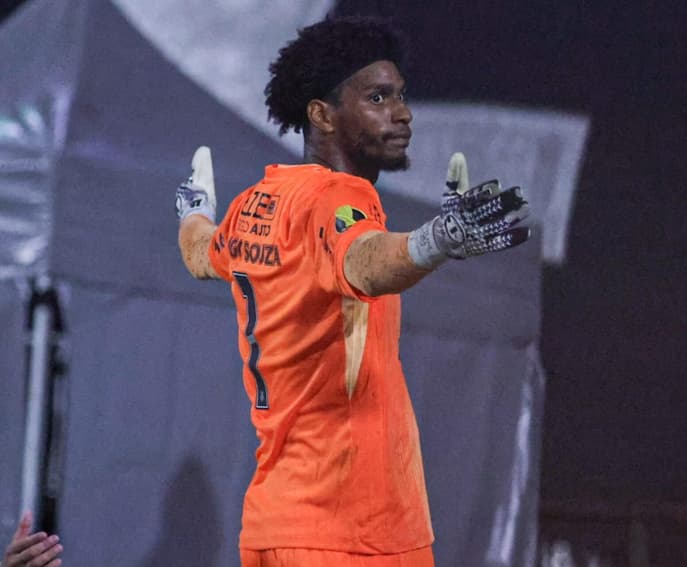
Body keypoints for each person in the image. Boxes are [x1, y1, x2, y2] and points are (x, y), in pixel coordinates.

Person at [175, 16, 530, 567]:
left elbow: (200, 253)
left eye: (400, 96)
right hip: (351, 532)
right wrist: (437, 240)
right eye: (378, 98)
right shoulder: (339, 199)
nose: (403, 113)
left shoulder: (254, 205)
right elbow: (365, 260)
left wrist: (194, 210)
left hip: (276, 525)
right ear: (322, 114)